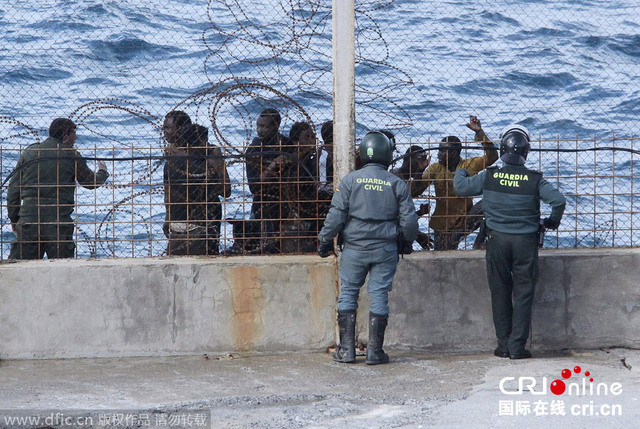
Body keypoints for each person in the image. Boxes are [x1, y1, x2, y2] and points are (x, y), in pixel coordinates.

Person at [453, 124, 566, 359]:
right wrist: (552, 223)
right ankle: (517, 347)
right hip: (526, 243)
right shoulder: (534, 180)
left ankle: (503, 345)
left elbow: (461, 187)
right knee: (523, 293)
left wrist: (461, 169)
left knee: (500, 291)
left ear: (503, 148)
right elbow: (558, 201)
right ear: (526, 151)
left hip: (497, 242)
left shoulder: (490, 175)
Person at [318, 131, 418, 365]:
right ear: (388, 155)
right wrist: (406, 241)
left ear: (363, 153)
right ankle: (374, 352)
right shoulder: (397, 184)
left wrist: (324, 241)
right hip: (385, 249)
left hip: (354, 248)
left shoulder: (350, 181)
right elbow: (410, 222)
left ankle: (346, 351)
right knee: (379, 295)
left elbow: (335, 216)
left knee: (349, 293)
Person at [6, 118, 109, 259]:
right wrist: (102, 172)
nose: (76, 137)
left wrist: (13, 217)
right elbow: (90, 182)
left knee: (20, 267)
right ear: (66, 134)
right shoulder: (71, 155)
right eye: (73, 133)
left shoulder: (30, 152)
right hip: (58, 222)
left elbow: (13, 189)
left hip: (29, 219)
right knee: (63, 269)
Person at [412, 115, 498, 250]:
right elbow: (415, 191)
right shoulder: (435, 168)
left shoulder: (469, 165)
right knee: (443, 256)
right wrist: (418, 172)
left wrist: (479, 133)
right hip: (443, 224)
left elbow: (492, 157)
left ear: (454, 153)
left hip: (465, 219)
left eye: (442, 151)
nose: (438, 154)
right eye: (439, 150)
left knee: (491, 201)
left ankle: (479, 241)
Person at [163, 114, 231, 256]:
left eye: (168, 127)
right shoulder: (206, 162)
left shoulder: (173, 160)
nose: (164, 130)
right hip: (200, 220)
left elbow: (225, 190)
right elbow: (226, 190)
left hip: (196, 220)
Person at [236, 108, 291, 253]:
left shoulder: (288, 145)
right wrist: (272, 167)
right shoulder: (254, 150)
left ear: (276, 125)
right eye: (258, 126)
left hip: (287, 203)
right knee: (266, 247)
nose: (260, 130)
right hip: (263, 207)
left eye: (264, 126)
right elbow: (254, 187)